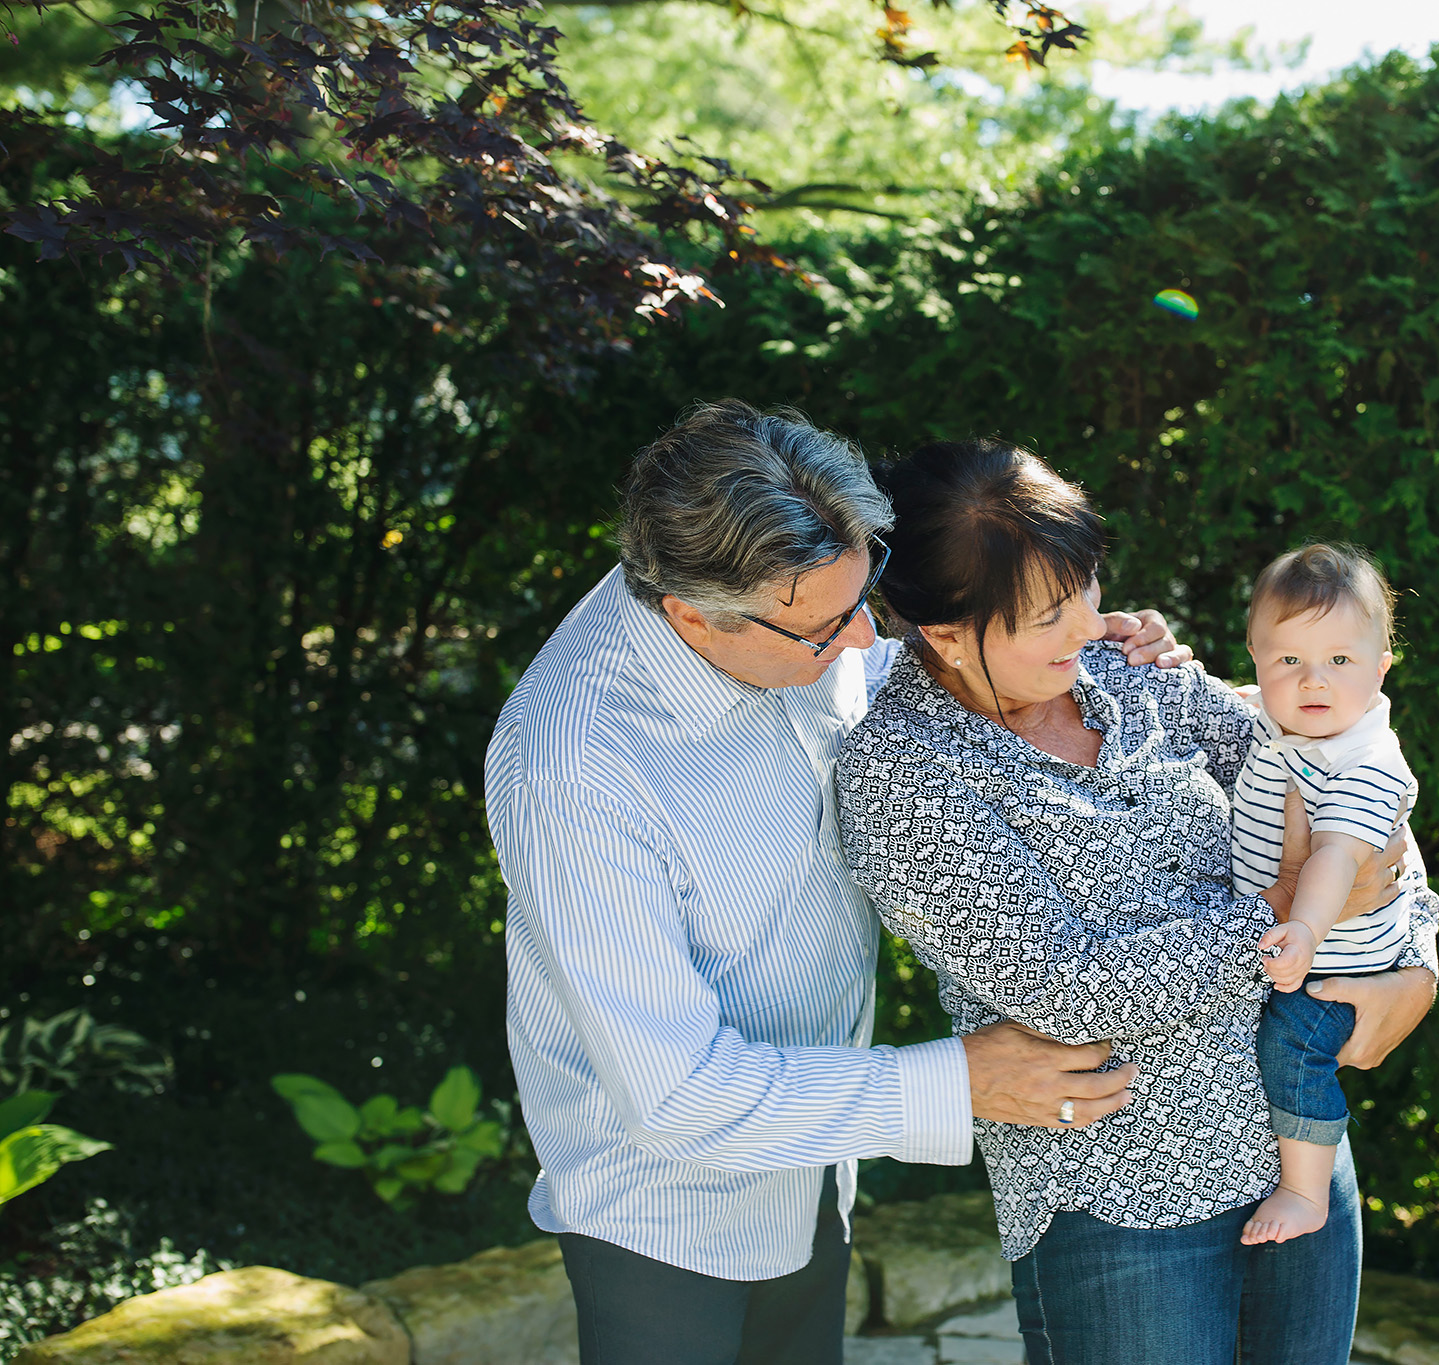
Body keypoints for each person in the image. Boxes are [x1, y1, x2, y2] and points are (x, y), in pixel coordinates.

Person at [482, 400, 1195, 1365]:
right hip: (662, 1215)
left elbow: (902, 661)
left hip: (815, 1165)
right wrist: (962, 1080)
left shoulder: (792, 614)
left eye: (867, 598)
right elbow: (680, 1095)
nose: (865, 641)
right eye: (827, 629)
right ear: (692, 612)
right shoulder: (573, 764)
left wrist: (1056, 640)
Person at [834, 439, 1439, 1365]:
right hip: (1124, 1199)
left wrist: (1416, 959)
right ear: (945, 633)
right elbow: (1066, 988)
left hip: (1297, 1152)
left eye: (1084, 584)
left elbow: (1349, 782)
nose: (1085, 622)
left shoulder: (1128, 671)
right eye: (1046, 612)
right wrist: (1281, 918)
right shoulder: (904, 773)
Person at [1234, 544, 1421, 1246]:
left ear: (1380, 668)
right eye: (1289, 660)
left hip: (1341, 964)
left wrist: (1306, 928)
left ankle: (1307, 1191)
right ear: (1255, 659)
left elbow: (1337, 856)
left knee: (1291, 1047)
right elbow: (1238, 700)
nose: (1314, 680)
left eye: (1340, 661)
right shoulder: (1282, 721)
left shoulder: (1366, 761)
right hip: (1306, 945)